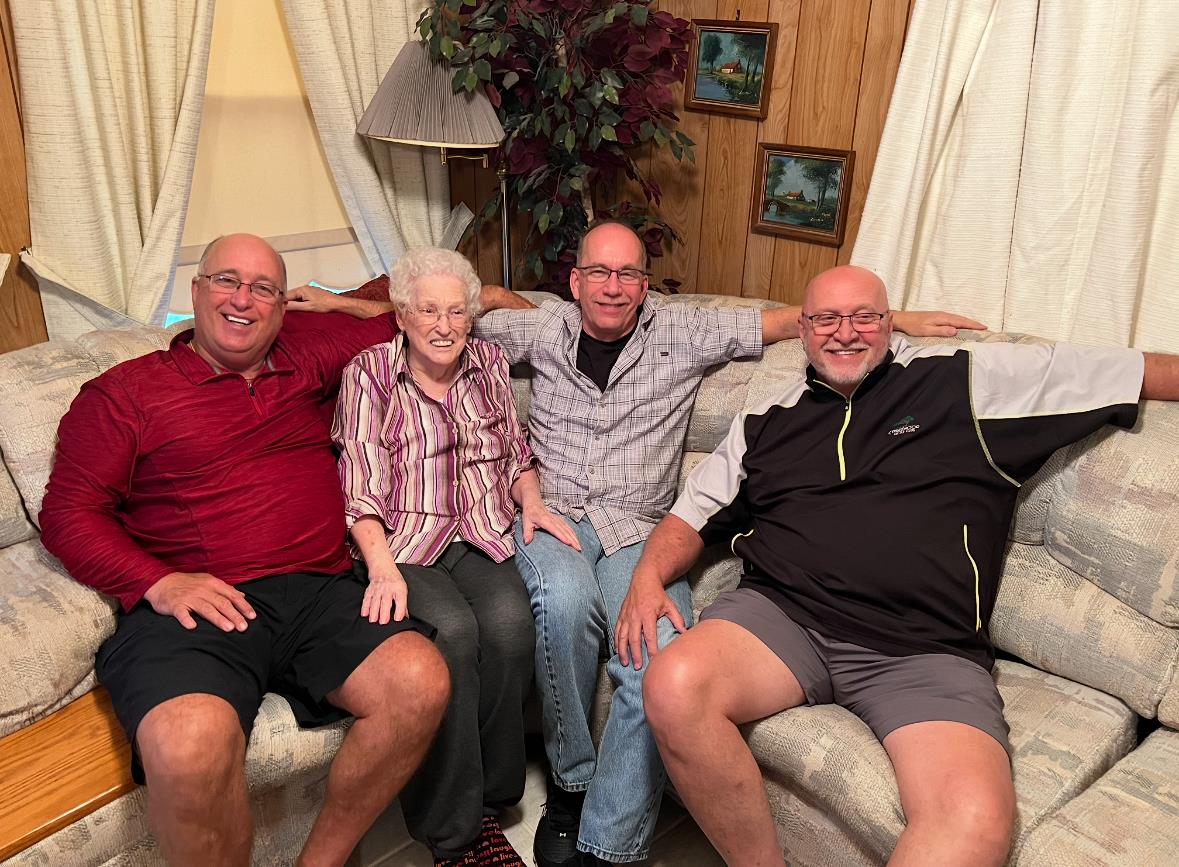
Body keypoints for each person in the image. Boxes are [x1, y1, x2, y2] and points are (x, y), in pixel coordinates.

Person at [295, 223, 982, 866]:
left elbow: (779, 320)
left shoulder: (683, 330)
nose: (612, 286)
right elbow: (443, 310)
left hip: (639, 528)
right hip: (553, 519)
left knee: (654, 652)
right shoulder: (535, 330)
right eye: (598, 271)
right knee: (560, 608)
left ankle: (609, 841)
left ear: (645, 284)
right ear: (574, 280)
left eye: (627, 273)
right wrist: (342, 304)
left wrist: (901, 320)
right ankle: (567, 785)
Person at [621, 264, 1179, 867]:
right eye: (826, 319)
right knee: (675, 685)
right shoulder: (763, 421)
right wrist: (648, 577)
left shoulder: (960, 383)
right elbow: (689, 515)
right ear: (802, 331)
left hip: (921, 649)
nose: (845, 333)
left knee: (973, 820)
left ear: (890, 322)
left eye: (865, 316)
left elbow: (1134, 370)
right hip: (781, 618)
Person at [38, 233, 454, 867]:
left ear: (284, 308)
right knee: (186, 745)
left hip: (319, 588)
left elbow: (404, 312)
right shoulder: (123, 395)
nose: (243, 299)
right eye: (226, 280)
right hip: (197, 603)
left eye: (263, 288)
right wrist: (157, 582)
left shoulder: (307, 354)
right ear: (196, 292)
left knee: (419, 681)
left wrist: (486, 295)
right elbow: (67, 514)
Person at [331, 248, 579, 866]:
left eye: (457, 312)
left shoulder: (489, 363)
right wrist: (381, 566)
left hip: (481, 530)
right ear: (402, 316)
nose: (444, 325)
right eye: (428, 311)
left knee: (512, 626)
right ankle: (453, 831)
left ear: (471, 318)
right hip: (402, 543)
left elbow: (514, 452)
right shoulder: (369, 374)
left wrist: (532, 502)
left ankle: (492, 797)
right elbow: (358, 480)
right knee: (455, 636)